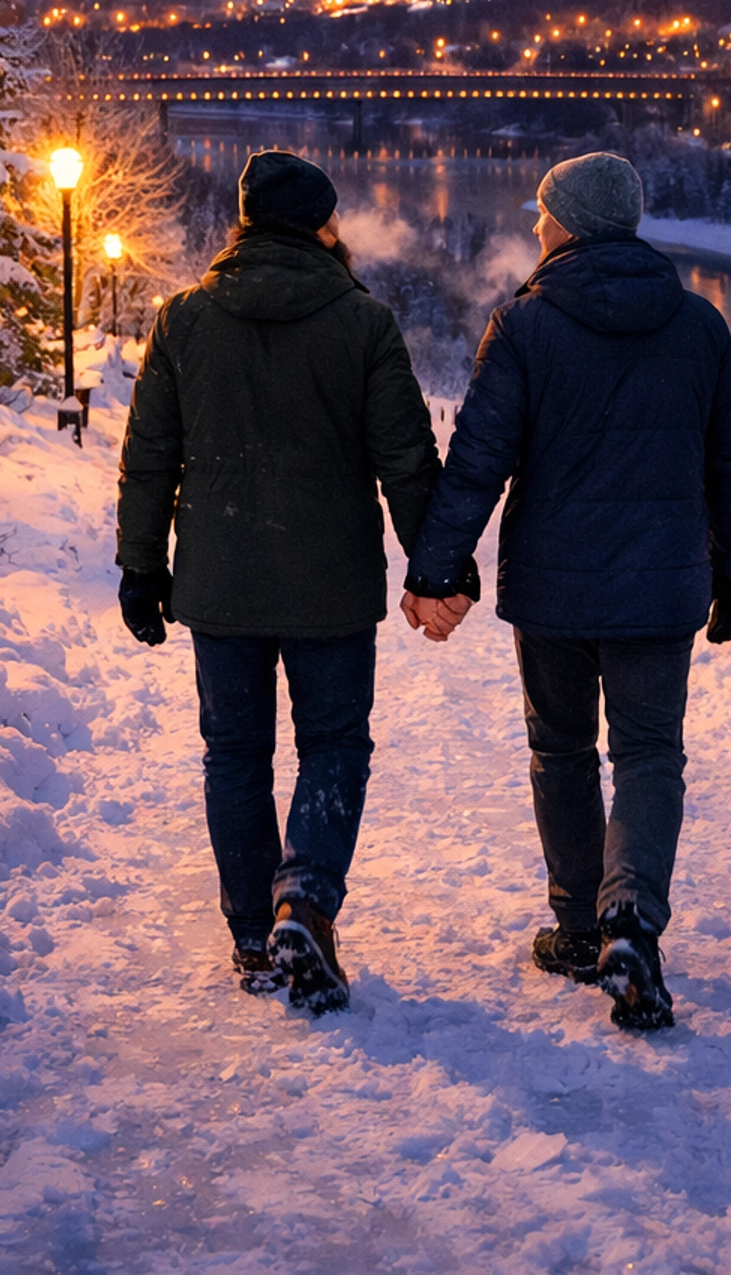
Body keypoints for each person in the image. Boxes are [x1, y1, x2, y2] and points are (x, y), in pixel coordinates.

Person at [401, 151, 731, 1032]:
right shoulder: (698, 326)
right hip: (661, 586)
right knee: (648, 754)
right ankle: (630, 915)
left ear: (569, 222)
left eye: (543, 214)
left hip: (555, 588)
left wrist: (436, 566)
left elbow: (480, 459)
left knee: (560, 751)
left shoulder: (525, 326)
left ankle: (575, 926)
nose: (534, 226)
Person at [115, 149, 454, 1014]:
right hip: (330, 584)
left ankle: (249, 931)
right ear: (322, 227)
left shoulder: (183, 320)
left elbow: (150, 458)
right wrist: (436, 568)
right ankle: (302, 897)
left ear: (242, 222)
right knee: (334, 743)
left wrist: (141, 566)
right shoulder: (363, 324)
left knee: (234, 754)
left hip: (220, 579)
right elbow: (406, 460)